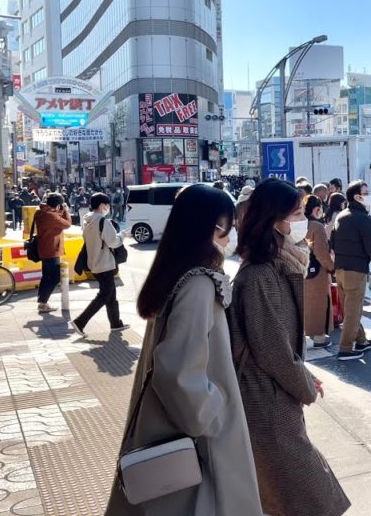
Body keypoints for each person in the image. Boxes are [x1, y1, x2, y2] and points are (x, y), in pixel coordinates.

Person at [104, 184, 262, 516]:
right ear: (211, 226)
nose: (230, 232)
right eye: (227, 224)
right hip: (197, 435)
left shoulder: (176, 272)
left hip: (163, 424)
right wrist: (214, 411)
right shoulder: (200, 283)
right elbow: (177, 369)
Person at [231, 179, 350, 516]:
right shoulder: (258, 276)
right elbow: (272, 351)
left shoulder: (278, 265)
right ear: (274, 220)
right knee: (311, 499)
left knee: (291, 499)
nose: (304, 222)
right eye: (297, 213)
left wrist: (304, 376)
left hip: (275, 397)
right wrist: (304, 386)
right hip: (266, 403)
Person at [329, 181, 371, 361]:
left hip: (340, 268)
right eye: (366, 193)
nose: (369, 196)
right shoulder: (363, 218)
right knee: (353, 310)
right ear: (358, 197)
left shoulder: (341, 216)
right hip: (356, 268)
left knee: (350, 307)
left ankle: (361, 340)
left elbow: (332, 243)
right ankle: (345, 348)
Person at [71, 193, 128, 335]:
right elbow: (113, 242)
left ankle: (116, 323)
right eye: (107, 205)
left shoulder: (86, 220)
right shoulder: (103, 222)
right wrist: (122, 235)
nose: (108, 208)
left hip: (94, 262)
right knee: (104, 295)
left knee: (111, 295)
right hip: (105, 263)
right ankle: (80, 322)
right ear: (103, 205)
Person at [302, 195, 334, 349]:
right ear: (317, 209)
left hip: (301, 268)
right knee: (318, 304)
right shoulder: (317, 227)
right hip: (317, 272)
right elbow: (321, 253)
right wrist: (331, 267)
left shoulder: (298, 224)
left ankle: (305, 334)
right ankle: (319, 337)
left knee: (304, 303)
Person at [32, 193, 72, 313]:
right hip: (51, 251)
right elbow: (68, 224)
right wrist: (65, 210)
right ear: (58, 205)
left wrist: (60, 209)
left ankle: (42, 302)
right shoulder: (51, 216)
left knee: (46, 276)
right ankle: (43, 302)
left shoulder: (41, 212)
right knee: (55, 277)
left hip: (44, 250)